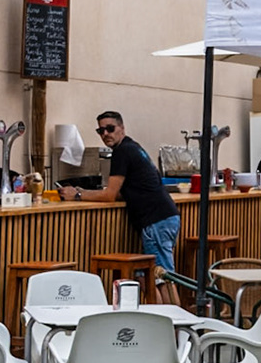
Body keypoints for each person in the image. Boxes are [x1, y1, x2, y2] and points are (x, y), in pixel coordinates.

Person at [63, 111, 181, 276]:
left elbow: (109, 195)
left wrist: (76, 196)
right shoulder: (133, 147)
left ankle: (170, 296)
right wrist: (84, 192)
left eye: (110, 128)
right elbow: (122, 193)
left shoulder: (122, 152)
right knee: (147, 276)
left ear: (122, 128)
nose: (105, 134)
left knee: (161, 278)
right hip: (167, 216)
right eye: (101, 131)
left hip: (155, 221)